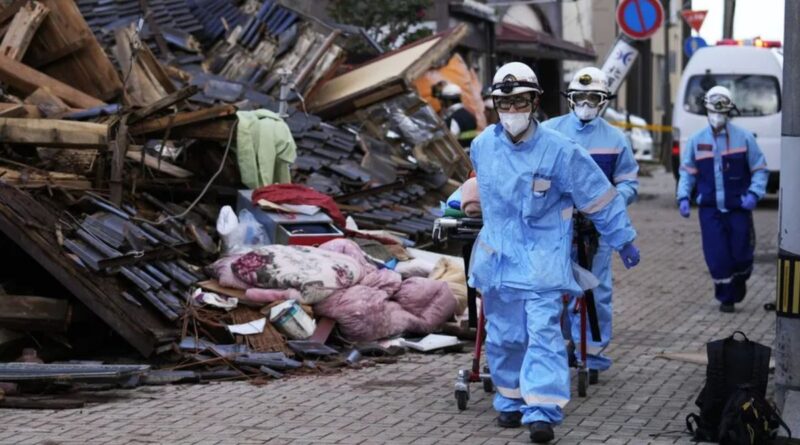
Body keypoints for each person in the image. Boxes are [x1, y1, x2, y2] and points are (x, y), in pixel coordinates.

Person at [469, 61, 641, 443]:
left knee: (544, 334)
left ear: (535, 101)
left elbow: (599, 197)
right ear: (496, 105)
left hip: (543, 262)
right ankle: (510, 400)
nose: (513, 111)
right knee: (504, 337)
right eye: (505, 103)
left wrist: (622, 238)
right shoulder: (482, 147)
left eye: (520, 102)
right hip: (498, 261)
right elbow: (478, 192)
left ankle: (543, 410)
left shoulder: (561, 151)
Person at [540, 67, 639, 382]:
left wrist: (611, 203)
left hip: (598, 230)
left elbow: (628, 182)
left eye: (592, 97)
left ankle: (592, 354)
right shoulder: (548, 132)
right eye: (579, 97)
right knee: (555, 289)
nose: (585, 103)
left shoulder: (615, 139)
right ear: (569, 98)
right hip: (555, 228)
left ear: (603, 100)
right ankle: (562, 348)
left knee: (596, 291)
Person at [676, 85, 768, 313]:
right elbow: (687, 172)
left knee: (741, 256)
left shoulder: (744, 138)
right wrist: (683, 197)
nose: (717, 116)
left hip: (738, 208)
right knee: (717, 257)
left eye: (722, 111)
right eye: (713, 110)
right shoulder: (697, 141)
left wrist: (754, 194)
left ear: (729, 112)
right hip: (710, 210)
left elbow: (760, 169)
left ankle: (741, 278)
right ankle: (726, 298)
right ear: (706, 110)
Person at [438, 82, 478, 148]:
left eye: (443, 100)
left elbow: (451, 143)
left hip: (462, 156)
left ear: (448, 101)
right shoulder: (469, 115)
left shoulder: (454, 118)